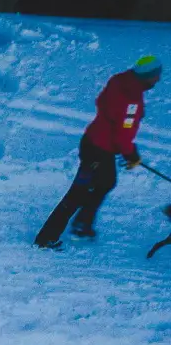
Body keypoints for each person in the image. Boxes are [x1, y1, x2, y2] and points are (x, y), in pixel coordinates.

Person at [36, 55, 159, 248]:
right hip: (98, 152)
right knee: (78, 192)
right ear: (147, 76)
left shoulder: (120, 80)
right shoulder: (132, 101)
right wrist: (131, 155)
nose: (157, 79)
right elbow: (123, 135)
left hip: (93, 142)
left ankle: (82, 222)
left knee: (106, 182)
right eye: (155, 76)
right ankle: (47, 237)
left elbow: (101, 102)